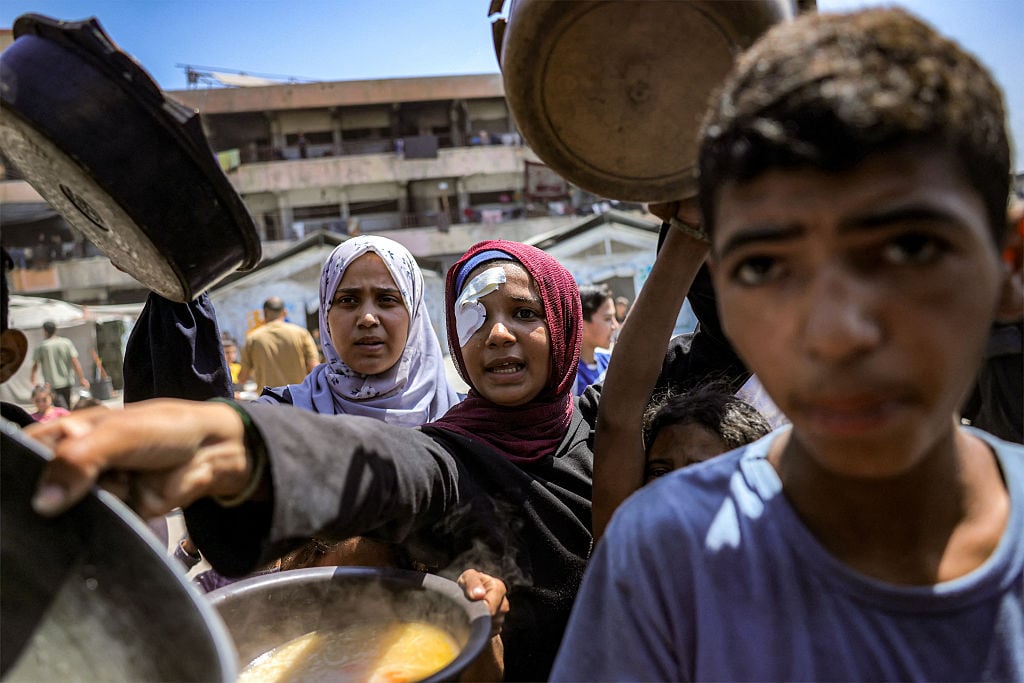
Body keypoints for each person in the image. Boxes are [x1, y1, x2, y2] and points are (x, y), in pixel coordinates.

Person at [552, 8, 1023, 681]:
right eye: (765, 266)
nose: (832, 332)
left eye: (908, 248)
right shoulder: (667, 558)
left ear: (1008, 264)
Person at [28, 239, 591, 681]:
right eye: (347, 301)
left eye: (524, 312)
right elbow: (392, 465)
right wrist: (247, 440)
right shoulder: (446, 446)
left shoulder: (602, 428)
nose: (498, 334)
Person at [237, 296, 319, 391]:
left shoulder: (253, 338)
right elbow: (314, 368)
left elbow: (243, 378)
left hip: (268, 400)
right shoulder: (301, 333)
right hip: (298, 397)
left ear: (264, 313)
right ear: (285, 312)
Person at [29, 320, 88, 409]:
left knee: (61, 408)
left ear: (45, 331)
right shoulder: (66, 343)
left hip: (52, 383)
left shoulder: (42, 346)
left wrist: (33, 378)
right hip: (67, 381)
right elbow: (75, 361)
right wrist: (81, 378)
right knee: (66, 405)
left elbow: (35, 364)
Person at [573, 284, 619, 396]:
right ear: (581, 324)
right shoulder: (572, 380)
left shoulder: (609, 360)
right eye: (608, 319)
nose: (615, 325)